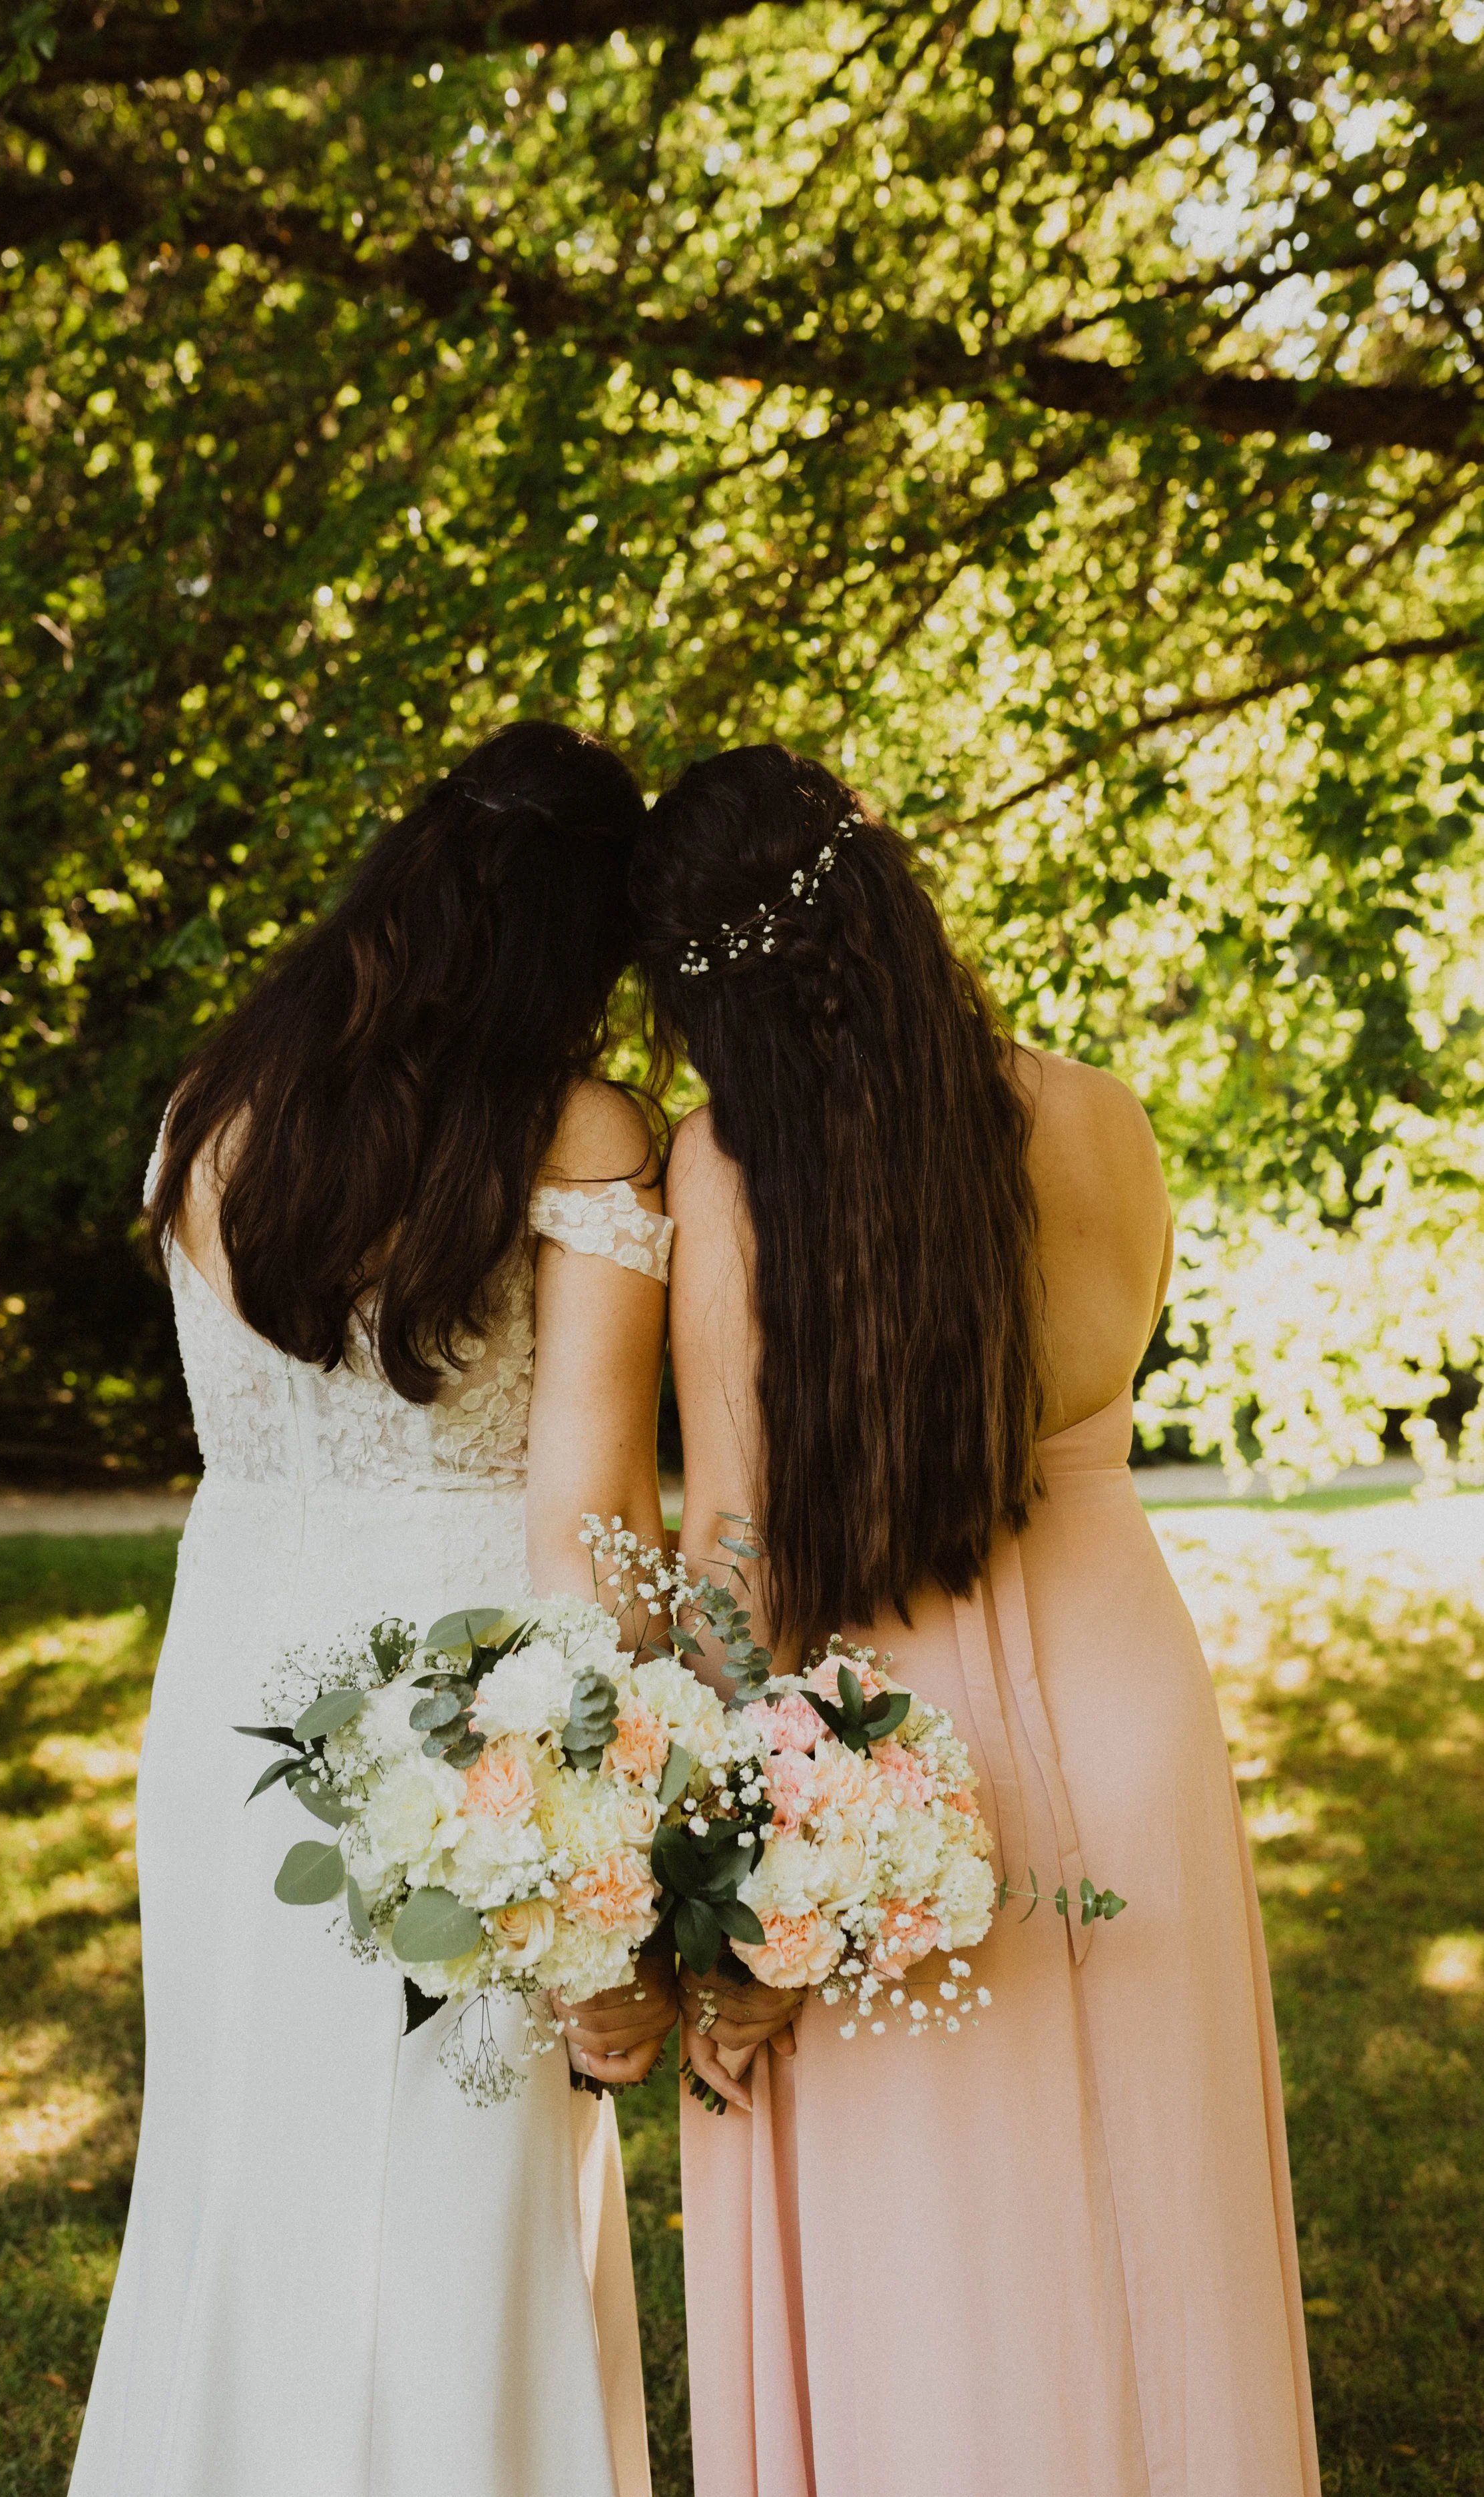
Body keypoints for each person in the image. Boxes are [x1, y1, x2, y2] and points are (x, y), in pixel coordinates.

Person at [631, 744, 1321, 2497]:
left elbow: (730, 1538)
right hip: (1119, 1685)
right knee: (1146, 2195)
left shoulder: (727, 1163)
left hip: (879, 1726)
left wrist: (705, 1860)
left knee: (919, 2223)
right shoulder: (1097, 1108)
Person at [70, 722, 676, 2497]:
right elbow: (585, 1509)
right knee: (449, 2190)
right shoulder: (575, 1128)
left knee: (243, 2162)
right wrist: (625, 1811)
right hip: (468, 1708)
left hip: (230, 1687)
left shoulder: (213, 1102)